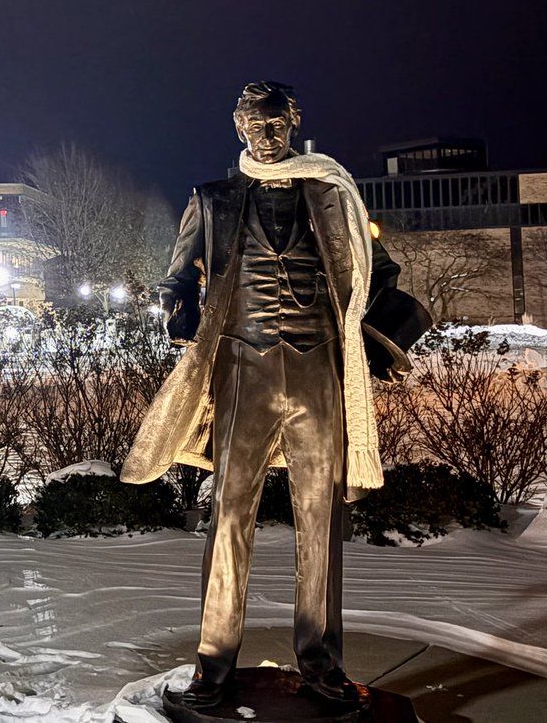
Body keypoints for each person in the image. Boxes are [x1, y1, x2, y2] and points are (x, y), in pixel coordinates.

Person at [120, 81, 426, 709]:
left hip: (319, 373)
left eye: (277, 124)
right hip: (241, 367)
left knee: (321, 522)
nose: (267, 135)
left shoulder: (333, 195)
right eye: (255, 126)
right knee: (230, 516)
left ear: (294, 125)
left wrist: (380, 344)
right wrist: (179, 315)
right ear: (239, 130)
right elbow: (178, 275)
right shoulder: (212, 199)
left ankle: (320, 662)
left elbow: (382, 277)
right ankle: (213, 662)